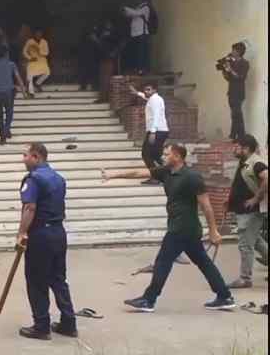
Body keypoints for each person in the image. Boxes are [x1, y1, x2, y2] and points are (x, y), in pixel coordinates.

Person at [102, 144, 236, 312]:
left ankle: (148, 299)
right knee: (203, 262)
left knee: (163, 262)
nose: (164, 157)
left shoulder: (192, 177)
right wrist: (113, 174)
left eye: (167, 154)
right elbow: (138, 173)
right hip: (180, 227)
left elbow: (206, 205)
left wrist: (214, 230)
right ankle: (224, 296)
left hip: (184, 227)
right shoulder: (166, 172)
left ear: (178, 156)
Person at [16, 143, 78, 340]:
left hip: (40, 235)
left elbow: (30, 208)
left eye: (25, 155)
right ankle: (69, 323)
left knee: (36, 281)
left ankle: (41, 326)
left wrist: (21, 233)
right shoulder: (58, 178)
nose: (23, 159)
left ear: (36, 157)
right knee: (58, 278)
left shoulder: (34, 179)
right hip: (58, 232)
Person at [225, 134, 268, 289]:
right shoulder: (244, 162)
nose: (234, 149)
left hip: (251, 211)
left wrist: (256, 199)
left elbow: (266, 178)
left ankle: (245, 278)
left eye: (237, 147)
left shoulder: (256, 163)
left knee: (245, 244)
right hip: (243, 209)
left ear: (246, 148)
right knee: (255, 241)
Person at [129, 82, 169, 185]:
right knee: (156, 155)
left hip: (157, 131)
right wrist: (138, 93)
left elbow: (156, 115)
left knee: (146, 154)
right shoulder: (154, 99)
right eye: (145, 89)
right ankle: (169, 175)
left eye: (148, 89)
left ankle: (157, 177)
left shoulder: (155, 100)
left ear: (155, 90)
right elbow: (147, 98)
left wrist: (153, 132)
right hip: (160, 130)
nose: (146, 91)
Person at [0, 45, 26, 145]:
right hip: (9, 92)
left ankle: (3, 137)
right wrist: (23, 91)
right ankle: (6, 130)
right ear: (6, 54)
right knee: (9, 113)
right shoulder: (11, 64)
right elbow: (18, 77)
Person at [220, 42, 250, 141]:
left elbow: (241, 77)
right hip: (231, 91)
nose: (232, 52)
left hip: (239, 92)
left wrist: (230, 69)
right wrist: (224, 71)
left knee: (237, 114)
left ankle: (240, 136)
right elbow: (229, 78)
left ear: (239, 52)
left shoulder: (245, 63)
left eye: (234, 50)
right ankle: (234, 136)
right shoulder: (232, 62)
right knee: (234, 114)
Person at [123, 0, 152, 75]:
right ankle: (138, 70)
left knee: (142, 54)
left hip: (142, 34)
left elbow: (136, 13)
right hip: (136, 34)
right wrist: (127, 12)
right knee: (137, 54)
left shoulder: (146, 7)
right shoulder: (138, 7)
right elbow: (131, 14)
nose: (136, 0)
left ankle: (143, 70)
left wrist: (126, 8)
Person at [23, 28, 51, 97]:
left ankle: (38, 83)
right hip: (33, 61)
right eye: (37, 33)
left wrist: (39, 49)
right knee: (30, 75)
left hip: (42, 61)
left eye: (40, 33)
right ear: (34, 34)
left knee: (47, 73)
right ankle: (31, 92)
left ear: (42, 34)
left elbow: (46, 52)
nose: (38, 35)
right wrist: (30, 58)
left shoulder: (44, 42)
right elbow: (24, 51)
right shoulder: (29, 41)